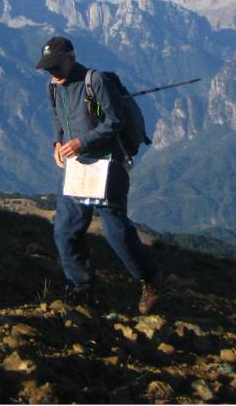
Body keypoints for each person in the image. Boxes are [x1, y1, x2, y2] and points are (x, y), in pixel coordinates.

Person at [37, 36, 162, 314]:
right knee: (65, 229)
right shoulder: (53, 86)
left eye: (56, 66)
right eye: (48, 68)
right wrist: (57, 143)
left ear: (71, 58)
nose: (52, 73)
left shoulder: (96, 82)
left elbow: (114, 121)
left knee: (116, 231)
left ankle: (149, 278)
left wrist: (83, 142)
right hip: (75, 165)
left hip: (107, 163)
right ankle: (81, 287)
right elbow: (57, 116)